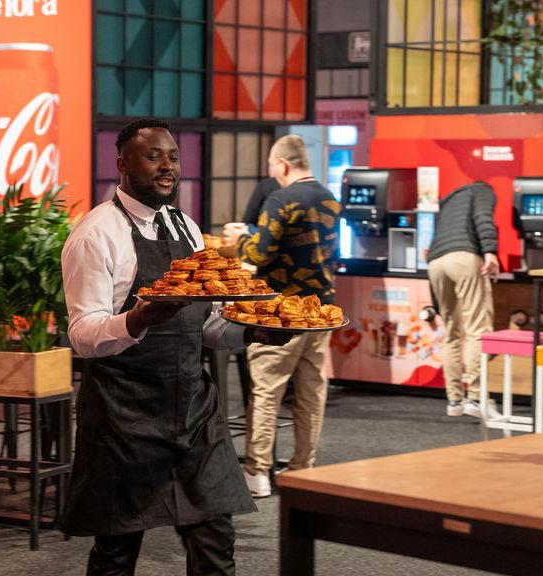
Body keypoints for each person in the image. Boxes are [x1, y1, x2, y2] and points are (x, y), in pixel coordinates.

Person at [61, 119, 288, 575]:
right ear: (122, 165)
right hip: (124, 415)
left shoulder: (186, 227)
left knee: (216, 540)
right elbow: (82, 334)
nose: (167, 167)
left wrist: (252, 333)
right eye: (153, 157)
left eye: (173, 157)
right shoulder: (95, 233)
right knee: (117, 551)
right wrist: (140, 317)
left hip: (193, 410)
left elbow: (207, 324)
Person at [222, 134, 341, 499]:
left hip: (281, 312)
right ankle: (304, 467)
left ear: (284, 165)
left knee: (267, 390)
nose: (272, 173)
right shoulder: (329, 198)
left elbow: (259, 255)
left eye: (272, 166)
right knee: (311, 392)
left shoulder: (281, 199)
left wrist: (239, 239)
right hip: (321, 311)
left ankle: (257, 471)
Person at [425, 181, 501, 418]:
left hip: (435, 262)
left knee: (451, 333)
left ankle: (455, 400)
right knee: (478, 330)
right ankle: (476, 398)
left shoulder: (448, 201)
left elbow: (436, 240)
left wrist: (436, 305)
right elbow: (483, 218)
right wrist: (490, 252)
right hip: (464, 257)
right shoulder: (483, 191)